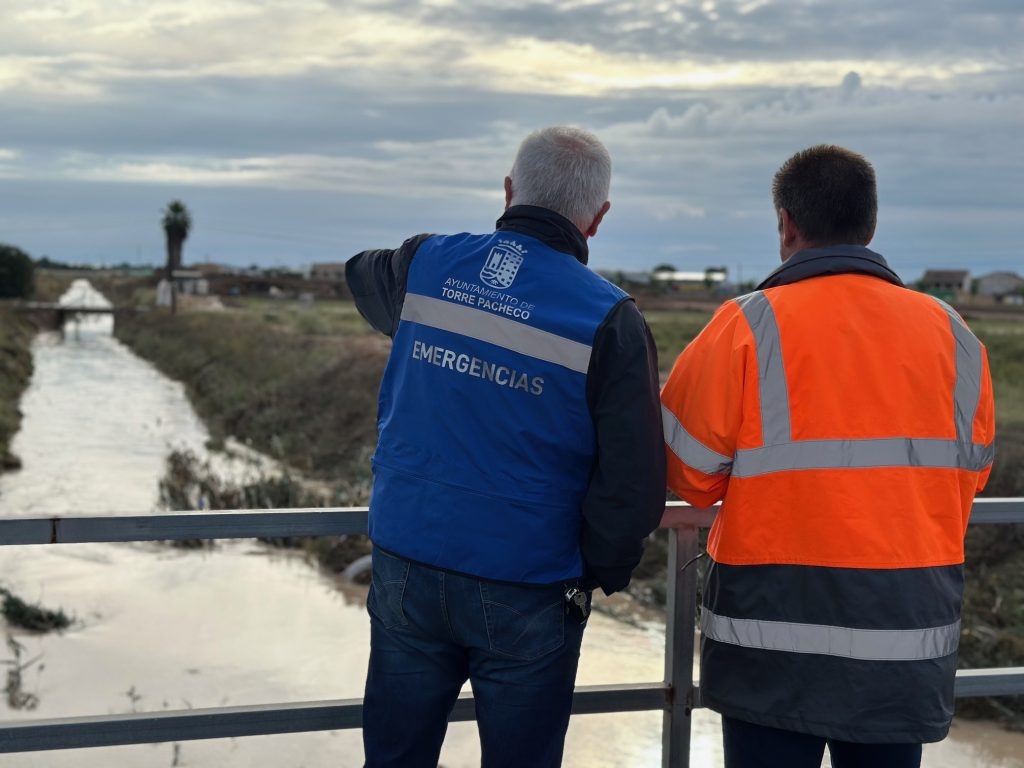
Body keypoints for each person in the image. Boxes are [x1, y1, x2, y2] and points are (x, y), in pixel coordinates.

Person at [660, 145, 996, 768]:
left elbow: (690, 477)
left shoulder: (744, 326)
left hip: (771, 651)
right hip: (904, 646)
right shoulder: (956, 335)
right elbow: (969, 478)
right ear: (869, 226)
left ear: (787, 224)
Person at [346, 125, 666, 768]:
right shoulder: (611, 319)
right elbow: (632, 482)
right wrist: (596, 574)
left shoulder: (424, 264)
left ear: (509, 189)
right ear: (597, 219)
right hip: (531, 584)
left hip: (407, 561)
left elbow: (360, 272)